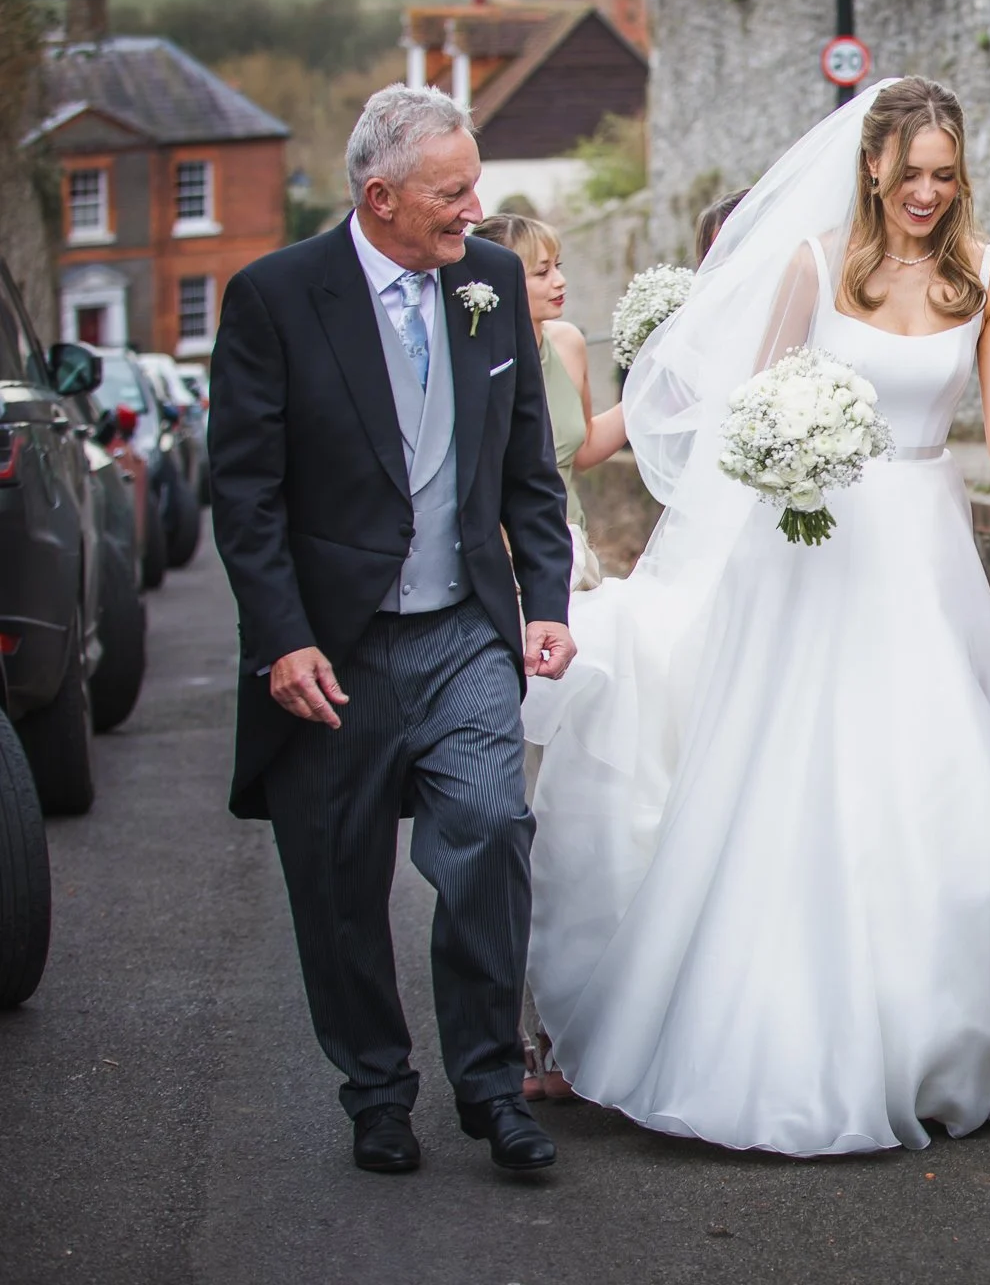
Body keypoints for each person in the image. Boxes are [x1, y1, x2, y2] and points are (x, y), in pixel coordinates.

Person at [523, 77, 990, 1155]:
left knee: (948, 780)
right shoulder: (811, 266)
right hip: (812, 552)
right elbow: (747, 410)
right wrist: (773, 475)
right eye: (909, 176)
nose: (926, 194)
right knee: (804, 781)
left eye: (945, 176)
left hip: (925, 548)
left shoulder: (987, 278)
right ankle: (798, 1041)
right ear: (873, 168)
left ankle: (956, 1041)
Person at [208, 84, 578, 1175]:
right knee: (339, 878)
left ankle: (487, 1082)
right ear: (380, 196)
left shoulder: (490, 282)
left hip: (463, 627)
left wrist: (545, 600)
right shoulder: (278, 297)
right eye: (452, 191)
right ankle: (375, 1086)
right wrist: (280, 637)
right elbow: (247, 492)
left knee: (490, 832)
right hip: (333, 649)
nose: (475, 208)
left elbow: (528, 463)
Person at [473, 213, 625, 591]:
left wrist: (656, 388)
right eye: (541, 273)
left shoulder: (568, 342)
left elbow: (583, 446)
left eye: (557, 266)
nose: (560, 281)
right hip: (508, 567)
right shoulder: (474, 360)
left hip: (573, 549)